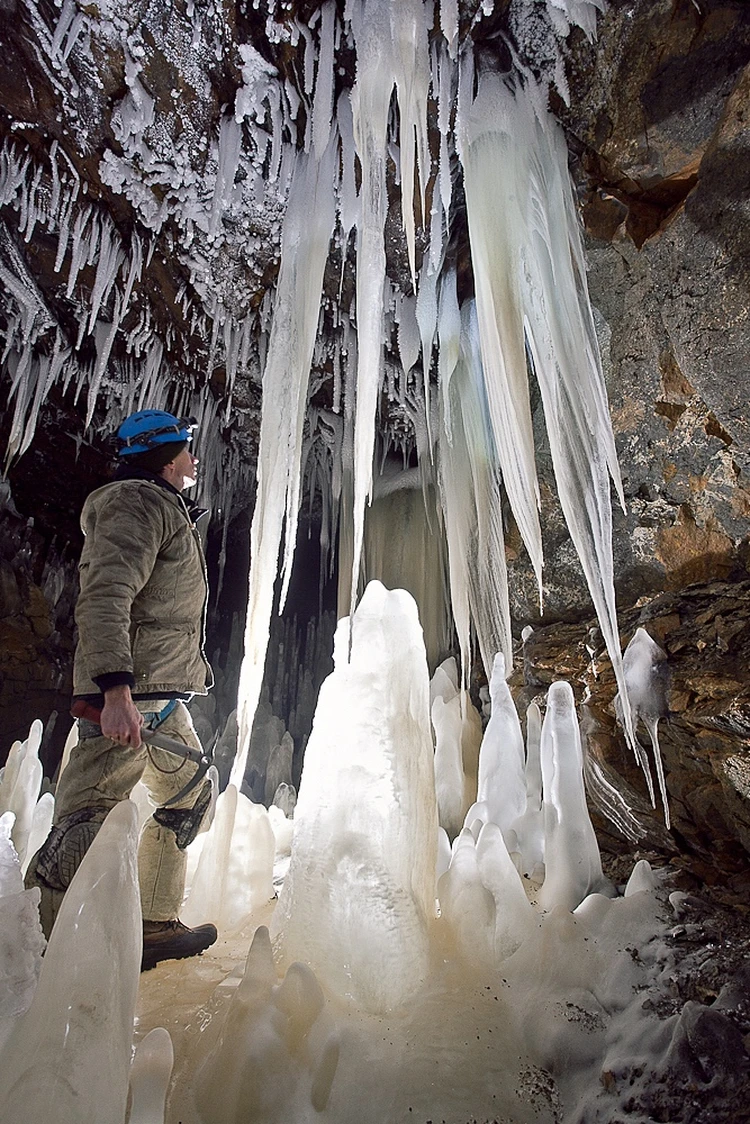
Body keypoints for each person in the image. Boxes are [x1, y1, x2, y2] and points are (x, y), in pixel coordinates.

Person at [26, 409, 219, 970]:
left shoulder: (161, 507)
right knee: (86, 820)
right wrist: (113, 691)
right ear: (164, 455)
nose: (193, 455)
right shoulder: (134, 504)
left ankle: (153, 924)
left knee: (190, 796)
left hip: (158, 696)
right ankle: (49, 956)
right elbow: (106, 594)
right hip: (129, 693)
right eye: (186, 445)